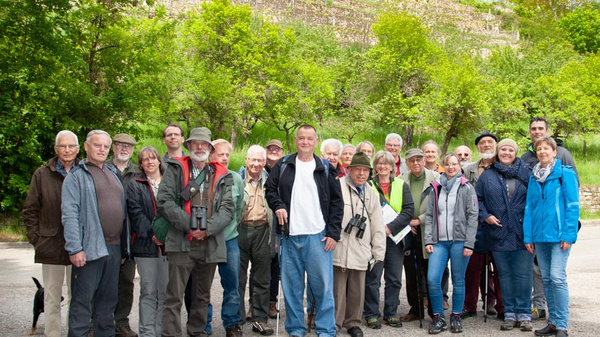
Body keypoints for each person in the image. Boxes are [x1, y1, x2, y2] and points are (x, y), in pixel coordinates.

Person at [264, 124, 343, 337]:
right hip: (289, 237)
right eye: (301, 138)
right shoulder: (283, 165)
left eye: (309, 138)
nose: (305, 142)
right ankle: (296, 329)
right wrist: (278, 205)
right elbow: (269, 189)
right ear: (296, 141)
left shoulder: (325, 167)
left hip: (318, 237)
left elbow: (337, 203)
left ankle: (326, 330)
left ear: (316, 141)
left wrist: (333, 233)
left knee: (323, 288)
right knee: (292, 289)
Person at [157, 127, 236, 337]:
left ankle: (197, 331)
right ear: (189, 146)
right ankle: (171, 334)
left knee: (202, 295)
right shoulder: (175, 169)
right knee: (174, 295)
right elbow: (164, 202)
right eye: (195, 143)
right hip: (181, 240)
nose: (199, 147)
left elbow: (228, 209)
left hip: (208, 243)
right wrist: (190, 226)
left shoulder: (221, 174)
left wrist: (207, 229)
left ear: (210, 149)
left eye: (204, 144)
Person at [62, 130, 128, 337]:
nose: (102, 149)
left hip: (114, 248)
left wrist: (124, 248)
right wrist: (75, 248)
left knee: (108, 302)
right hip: (89, 249)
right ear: (86, 146)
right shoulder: (76, 176)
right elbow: (69, 214)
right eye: (97, 145)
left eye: (105, 146)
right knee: (82, 303)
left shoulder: (113, 173)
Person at [521, 117, 579, 321]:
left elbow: (573, 206)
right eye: (539, 150)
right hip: (539, 236)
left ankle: (562, 323)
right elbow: (529, 208)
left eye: (547, 149)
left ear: (555, 152)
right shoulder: (534, 177)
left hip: (559, 235)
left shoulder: (565, 173)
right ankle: (553, 322)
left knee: (557, 277)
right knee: (546, 278)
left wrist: (570, 234)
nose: (543, 152)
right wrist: (528, 236)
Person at [23, 130, 79, 337]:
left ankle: (75, 333)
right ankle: (53, 334)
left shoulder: (84, 171)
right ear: (56, 149)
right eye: (63, 146)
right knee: (52, 297)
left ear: (78, 149)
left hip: (79, 246)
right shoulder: (41, 174)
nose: (67, 150)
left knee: (78, 296)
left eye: (71, 146)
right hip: (50, 244)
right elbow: (30, 209)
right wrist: (37, 240)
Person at [475, 139, 534, 331]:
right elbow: (477, 200)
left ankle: (524, 313)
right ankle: (509, 314)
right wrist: (486, 216)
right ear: (497, 152)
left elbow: (535, 201)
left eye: (510, 149)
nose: (506, 152)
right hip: (498, 232)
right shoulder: (488, 176)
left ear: (515, 152)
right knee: (505, 275)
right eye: (503, 149)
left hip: (522, 233)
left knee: (524, 275)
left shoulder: (527, 173)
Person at [424, 153, 478, 334]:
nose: (451, 167)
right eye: (448, 164)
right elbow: (430, 216)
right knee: (433, 279)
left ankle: (455, 316)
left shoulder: (467, 187)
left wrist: (469, 243)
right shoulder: (436, 188)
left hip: (459, 241)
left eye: (455, 164)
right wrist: (429, 240)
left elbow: (473, 216)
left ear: (459, 166)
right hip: (439, 242)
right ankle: (438, 317)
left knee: (458, 280)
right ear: (443, 166)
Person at [333, 152, 386, 337]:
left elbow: (378, 224)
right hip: (338, 245)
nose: (361, 174)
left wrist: (378, 251)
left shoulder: (371, 193)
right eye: (357, 169)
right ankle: (334, 323)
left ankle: (353, 323)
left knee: (357, 289)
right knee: (337, 289)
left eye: (365, 170)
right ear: (349, 170)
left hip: (360, 247)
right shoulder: (337, 186)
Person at [364, 151, 414, 329]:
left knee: (394, 278)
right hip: (374, 239)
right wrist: (378, 230)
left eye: (386, 163)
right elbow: (363, 211)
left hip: (395, 239)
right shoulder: (367, 185)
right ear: (375, 166)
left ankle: (391, 314)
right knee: (373, 278)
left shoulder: (402, 185)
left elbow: (408, 210)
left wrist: (390, 227)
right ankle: (371, 314)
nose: (382, 166)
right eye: (379, 163)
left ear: (393, 166)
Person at [204, 139, 245, 336]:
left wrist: (229, 228)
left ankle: (231, 322)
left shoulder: (236, 178)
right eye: (220, 154)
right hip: (206, 239)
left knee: (232, 284)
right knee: (202, 284)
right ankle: (203, 323)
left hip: (229, 239)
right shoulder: (203, 176)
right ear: (211, 156)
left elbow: (239, 208)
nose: (225, 158)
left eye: (227, 154)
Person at [127, 146, 168, 337]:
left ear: (159, 160)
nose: (150, 162)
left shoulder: (170, 182)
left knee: (165, 292)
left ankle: (161, 331)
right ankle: (147, 332)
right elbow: (135, 213)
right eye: (145, 159)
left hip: (169, 247)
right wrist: (153, 233)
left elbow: (176, 210)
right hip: (145, 246)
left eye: (152, 158)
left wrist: (166, 235)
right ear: (141, 164)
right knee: (149, 291)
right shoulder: (136, 184)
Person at [462, 132, 504, 319]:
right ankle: (469, 305)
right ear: (477, 148)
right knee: (472, 268)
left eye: (490, 142)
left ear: (495, 145)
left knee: (500, 269)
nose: (486, 145)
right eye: (482, 143)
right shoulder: (469, 169)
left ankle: (501, 306)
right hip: (476, 225)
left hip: (499, 224)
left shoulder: (505, 167)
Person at [238, 145, 276, 336]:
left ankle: (260, 320)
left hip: (263, 230)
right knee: (237, 277)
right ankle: (235, 320)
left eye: (260, 160)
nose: (256, 164)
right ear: (246, 160)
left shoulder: (271, 181)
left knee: (262, 278)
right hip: (240, 231)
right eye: (253, 160)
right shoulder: (237, 179)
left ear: (264, 162)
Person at [399, 149, 440, 322]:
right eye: (411, 160)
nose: (415, 163)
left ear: (424, 161)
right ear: (407, 163)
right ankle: (415, 308)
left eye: (418, 159)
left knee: (430, 270)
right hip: (408, 230)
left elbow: (441, 205)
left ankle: (433, 309)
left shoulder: (436, 179)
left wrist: (420, 220)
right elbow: (396, 204)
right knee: (410, 270)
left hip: (429, 230)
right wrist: (407, 221)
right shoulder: (401, 180)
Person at [110, 133, 140, 337]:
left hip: (130, 239)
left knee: (126, 283)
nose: (124, 149)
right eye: (120, 145)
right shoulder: (101, 169)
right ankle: (98, 322)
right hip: (106, 238)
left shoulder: (138, 172)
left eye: (128, 146)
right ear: (113, 147)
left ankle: (121, 323)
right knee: (102, 282)